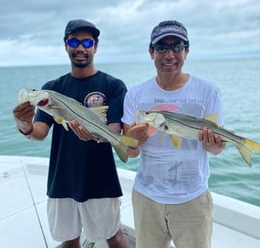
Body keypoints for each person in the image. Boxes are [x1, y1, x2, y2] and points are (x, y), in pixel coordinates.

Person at [13, 19, 127, 248]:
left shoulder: (113, 85)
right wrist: (24, 124)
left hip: (100, 178)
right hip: (62, 178)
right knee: (69, 239)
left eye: (87, 42)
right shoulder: (52, 89)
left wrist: (98, 135)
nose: (80, 47)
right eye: (74, 41)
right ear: (66, 45)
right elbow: (40, 132)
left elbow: (114, 129)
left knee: (113, 236)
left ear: (95, 46)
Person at [122, 20, 226, 248]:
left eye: (177, 47)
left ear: (186, 51)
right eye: (161, 47)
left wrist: (215, 143)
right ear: (151, 52)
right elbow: (129, 153)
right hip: (147, 197)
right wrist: (133, 143)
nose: (169, 54)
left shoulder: (208, 91)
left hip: (192, 198)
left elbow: (216, 149)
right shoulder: (135, 94)